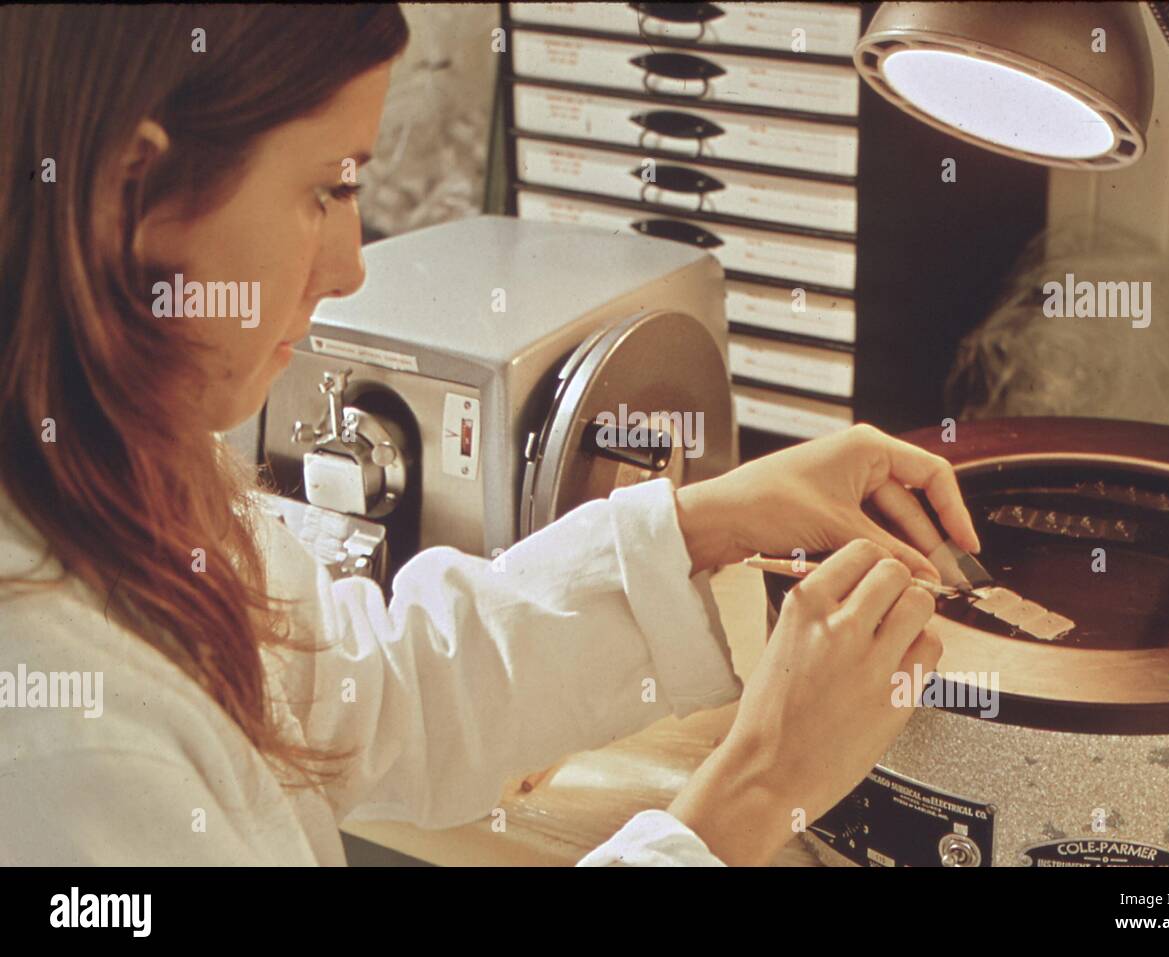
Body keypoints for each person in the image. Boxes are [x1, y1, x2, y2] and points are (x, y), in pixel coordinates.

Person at [0, 4, 980, 866]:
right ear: (131, 191)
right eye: (323, 193)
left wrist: (709, 521)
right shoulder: (64, 744)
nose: (351, 266)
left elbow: (373, 695)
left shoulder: (107, 472)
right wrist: (757, 788)